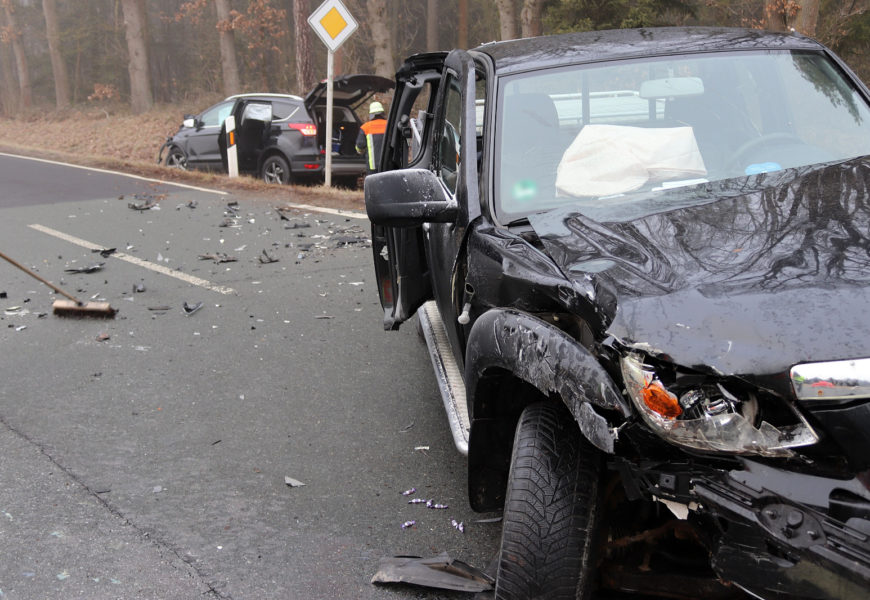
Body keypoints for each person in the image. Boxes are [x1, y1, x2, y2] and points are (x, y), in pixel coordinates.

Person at [356, 101, 387, 174]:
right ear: (382, 113)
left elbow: (360, 145)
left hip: (373, 166)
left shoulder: (365, 127)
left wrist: (360, 151)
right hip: (387, 165)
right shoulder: (389, 125)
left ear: (371, 114)